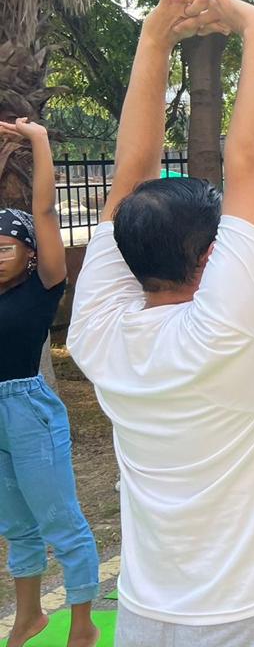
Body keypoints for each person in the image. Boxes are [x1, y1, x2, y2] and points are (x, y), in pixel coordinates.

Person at [68, 0, 254, 643]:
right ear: (210, 256)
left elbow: (130, 176)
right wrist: (253, 26)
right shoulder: (229, 325)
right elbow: (251, 164)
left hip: (147, 614)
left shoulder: (97, 334)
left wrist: (155, 40)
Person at [0, 119, 99, 647]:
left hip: (28, 411)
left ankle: (82, 623)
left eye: (6, 247)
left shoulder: (42, 287)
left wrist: (38, 141)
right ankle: (28, 617)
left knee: (60, 519)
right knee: (16, 525)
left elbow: (43, 213)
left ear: (30, 254)